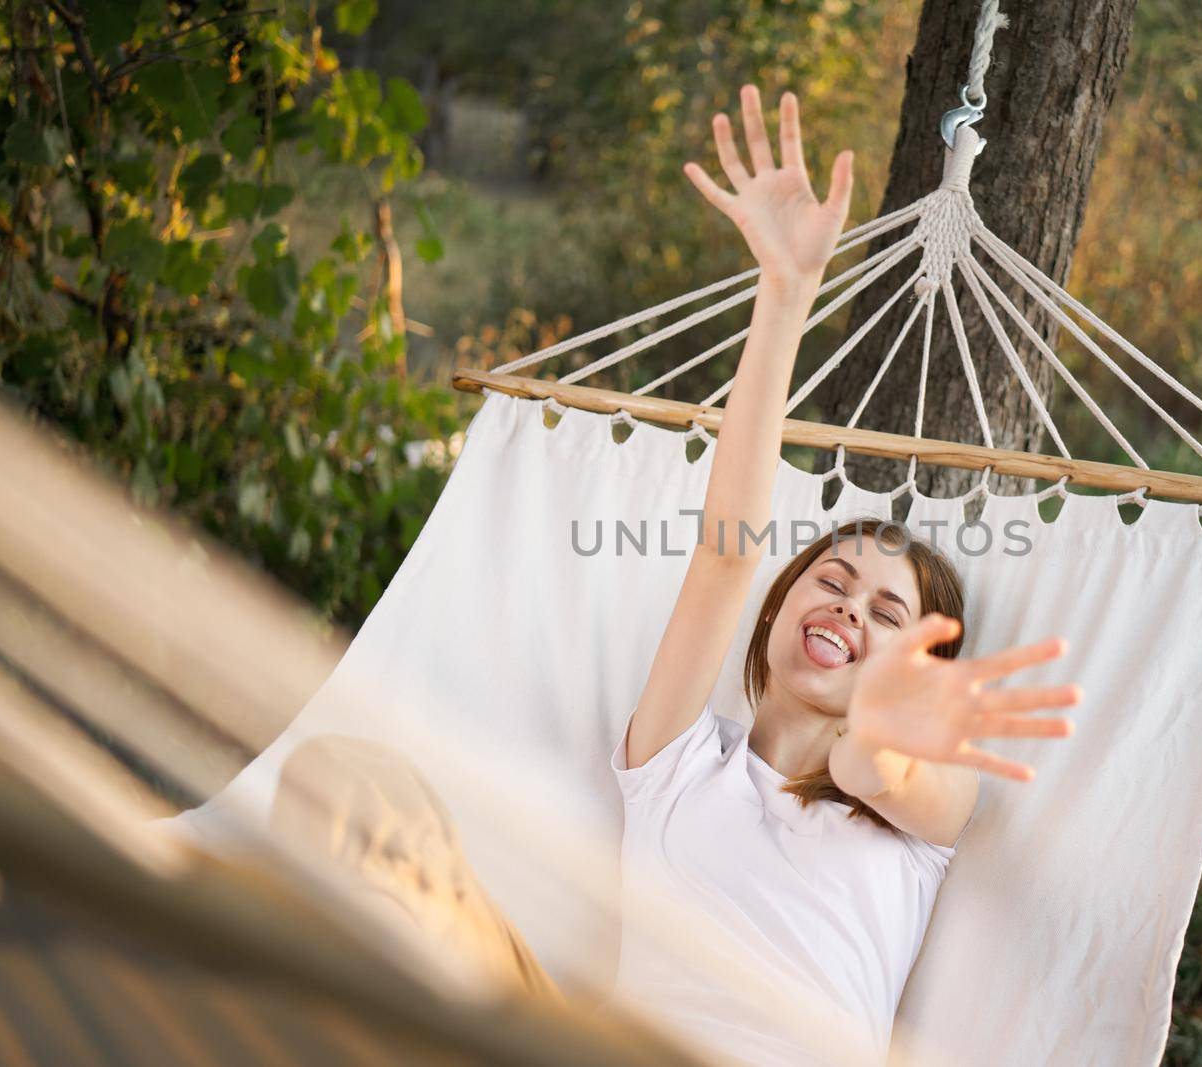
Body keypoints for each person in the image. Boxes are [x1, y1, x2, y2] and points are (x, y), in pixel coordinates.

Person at [271, 84, 1083, 1066]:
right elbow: (725, 548)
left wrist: (881, 726)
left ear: (920, 662)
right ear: (779, 610)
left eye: (886, 610)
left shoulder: (914, 814)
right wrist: (783, 296)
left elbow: (883, 766)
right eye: (830, 579)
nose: (845, 606)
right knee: (345, 784)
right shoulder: (676, 762)